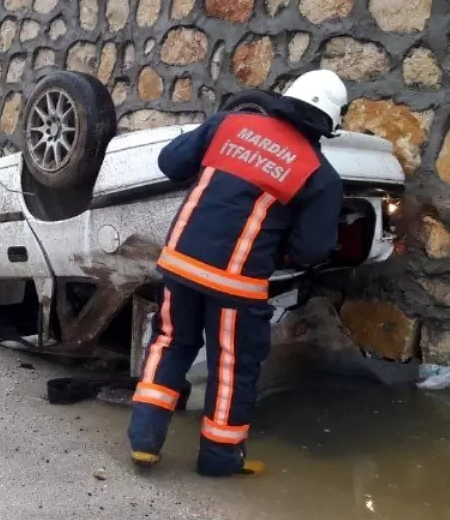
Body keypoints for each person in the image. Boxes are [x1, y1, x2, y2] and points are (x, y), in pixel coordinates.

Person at [128, 69, 348, 478]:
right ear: (331, 121)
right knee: (232, 364)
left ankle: (144, 440)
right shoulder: (320, 175)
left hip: (179, 263)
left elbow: (170, 162)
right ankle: (220, 458)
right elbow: (311, 250)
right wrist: (275, 249)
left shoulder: (229, 124)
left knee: (170, 342)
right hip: (237, 284)